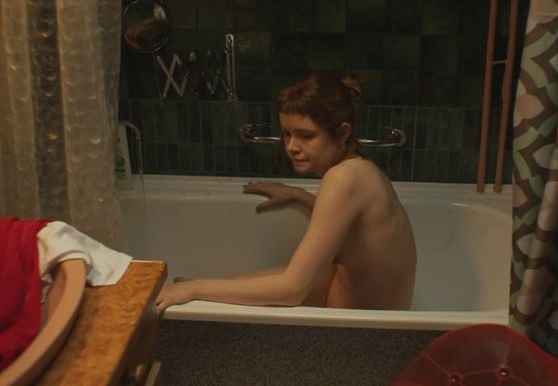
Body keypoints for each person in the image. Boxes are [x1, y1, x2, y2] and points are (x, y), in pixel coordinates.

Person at [155, 71, 417, 314]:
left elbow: (292, 290)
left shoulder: (343, 178)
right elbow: (350, 225)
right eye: (286, 133)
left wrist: (195, 289)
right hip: (347, 295)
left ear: (342, 134)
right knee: (228, 285)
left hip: (366, 333)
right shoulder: (362, 168)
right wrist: (298, 194)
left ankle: (196, 292)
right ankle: (203, 291)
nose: (292, 146)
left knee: (206, 295)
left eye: (306, 136)